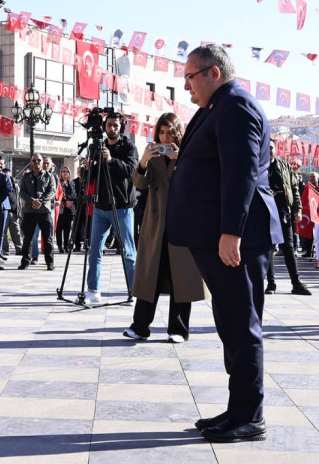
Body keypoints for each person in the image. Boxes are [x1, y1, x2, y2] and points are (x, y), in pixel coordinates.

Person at [169, 45, 280, 443]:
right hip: (221, 235)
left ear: (213, 72)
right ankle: (238, 409)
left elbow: (241, 173)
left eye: (190, 77)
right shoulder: (217, 106)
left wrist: (231, 231)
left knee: (241, 325)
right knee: (231, 324)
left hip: (238, 239)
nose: (186, 87)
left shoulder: (234, 106)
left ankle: (250, 416)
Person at [125, 113, 209, 342]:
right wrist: (143, 162)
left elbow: (201, 182)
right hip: (156, 223)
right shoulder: (152, 155)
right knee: (148, 275)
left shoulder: (189, 153)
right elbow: (139, 184)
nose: (164, 137)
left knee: (181, 276)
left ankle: (179, 329)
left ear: (178, 132)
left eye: (169, 132)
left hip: (182, 223)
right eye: (161, 132)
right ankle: (140, 326)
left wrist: (181, 159)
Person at [84, 113, 140, 304]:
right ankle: (93, 289)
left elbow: (131, 171)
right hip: (101, 206)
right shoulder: (97, 147)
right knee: (94, 250)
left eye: (115, 125)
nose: (112, 128)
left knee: (128, 251)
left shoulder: (129, 147)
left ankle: (134, 290)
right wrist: (87, 168)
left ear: (121, 127)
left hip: (122, 206)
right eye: (109, 125)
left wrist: (110, 160)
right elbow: (90, 179)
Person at [265, 140, 312, 295]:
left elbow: (294, 189)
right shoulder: (258, 166)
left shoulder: (284, 166)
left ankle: (296, 282)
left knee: (289, 248)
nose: (269, 150)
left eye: (271, 148)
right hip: (266, 212)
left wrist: (297, 209)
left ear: (275, 149)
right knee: (269, 248)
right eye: (266, 148)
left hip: (284, 211)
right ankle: (271, 284)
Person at [19, 154, 58, 269]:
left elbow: (52, 191)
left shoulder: (49, 176)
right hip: (29, 211)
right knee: (28, 238)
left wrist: (40, 201)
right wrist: (32, 201)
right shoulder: (26, 177)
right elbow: (22, 192)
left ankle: (50, 263)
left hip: (44, 211)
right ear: (31, 162)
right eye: (34, 160)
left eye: (39, 160)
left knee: (48, 239)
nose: (37, 162)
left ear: (42, 162)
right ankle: (25, 262)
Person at [56, 166, 77, 252]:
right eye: (63, 171)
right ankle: (60, 246)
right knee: (59, 227)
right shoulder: (59, 182)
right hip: (61, 207)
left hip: (70, 208)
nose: (65, 173)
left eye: (67, 171)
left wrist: (71, 202)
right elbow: (59, 193)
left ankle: (66, 245)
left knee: (68, 227)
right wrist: (65, 201)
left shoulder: (71, 183)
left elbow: (74, 194)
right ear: (61, 173)